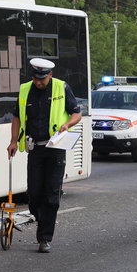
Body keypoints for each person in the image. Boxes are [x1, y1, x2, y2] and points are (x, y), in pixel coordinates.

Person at [7, 58, 82, 253]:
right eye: (35, 78)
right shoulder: (25, 90)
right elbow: (16, 116)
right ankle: (43, 219)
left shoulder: (61, 88)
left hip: (56, 148)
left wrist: (68, 124)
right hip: (35, 148)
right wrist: (13, 141)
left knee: (51, 195)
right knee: (34, 193)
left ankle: (45, 238)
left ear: (50, 75)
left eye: (42, 79)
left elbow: (76, 113)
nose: (38, 82)